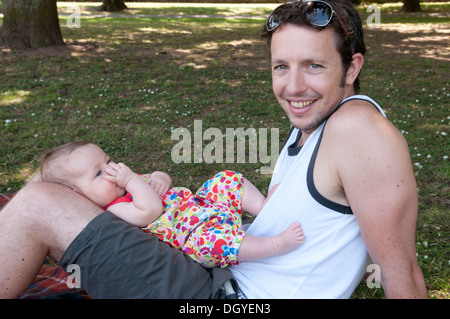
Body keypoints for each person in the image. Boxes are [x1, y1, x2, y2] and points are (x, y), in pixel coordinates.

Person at [0, 0, 427, 299]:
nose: (293, 87)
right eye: (282, 67)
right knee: (52, 181)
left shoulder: (359, 130)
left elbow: (401, 271)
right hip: (213, 272)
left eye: (313, 66)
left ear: (351, 67)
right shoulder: (317, 123)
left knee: (38, 203)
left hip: (221, 293)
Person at [38, 142, 304, 268]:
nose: (111, 170)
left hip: (202, 205)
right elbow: (151, 210)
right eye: (98, 174)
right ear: (79, 195)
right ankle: (273, 245)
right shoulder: (113, 209)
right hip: (193, 236)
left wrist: (158, 178)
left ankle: (264, 206)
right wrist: (131, 179)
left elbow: (160, 176)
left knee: (225, 179)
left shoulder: (125, 184)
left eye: (108, 161)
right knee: (216, 242)